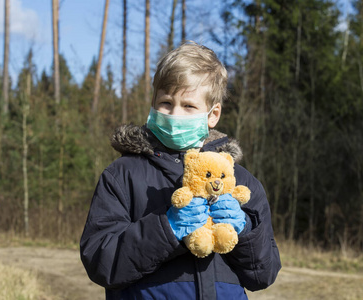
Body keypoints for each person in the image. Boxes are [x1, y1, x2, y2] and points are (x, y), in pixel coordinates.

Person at [80, 42, 281, 300]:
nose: (174, 114)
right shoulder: (122, 175)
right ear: (153, 104)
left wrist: (244, 230)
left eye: (188, 105)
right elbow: (100, 262)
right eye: (165, 102)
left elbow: (263, 275)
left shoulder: (241, 181)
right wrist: (167, 229)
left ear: (213, 114)